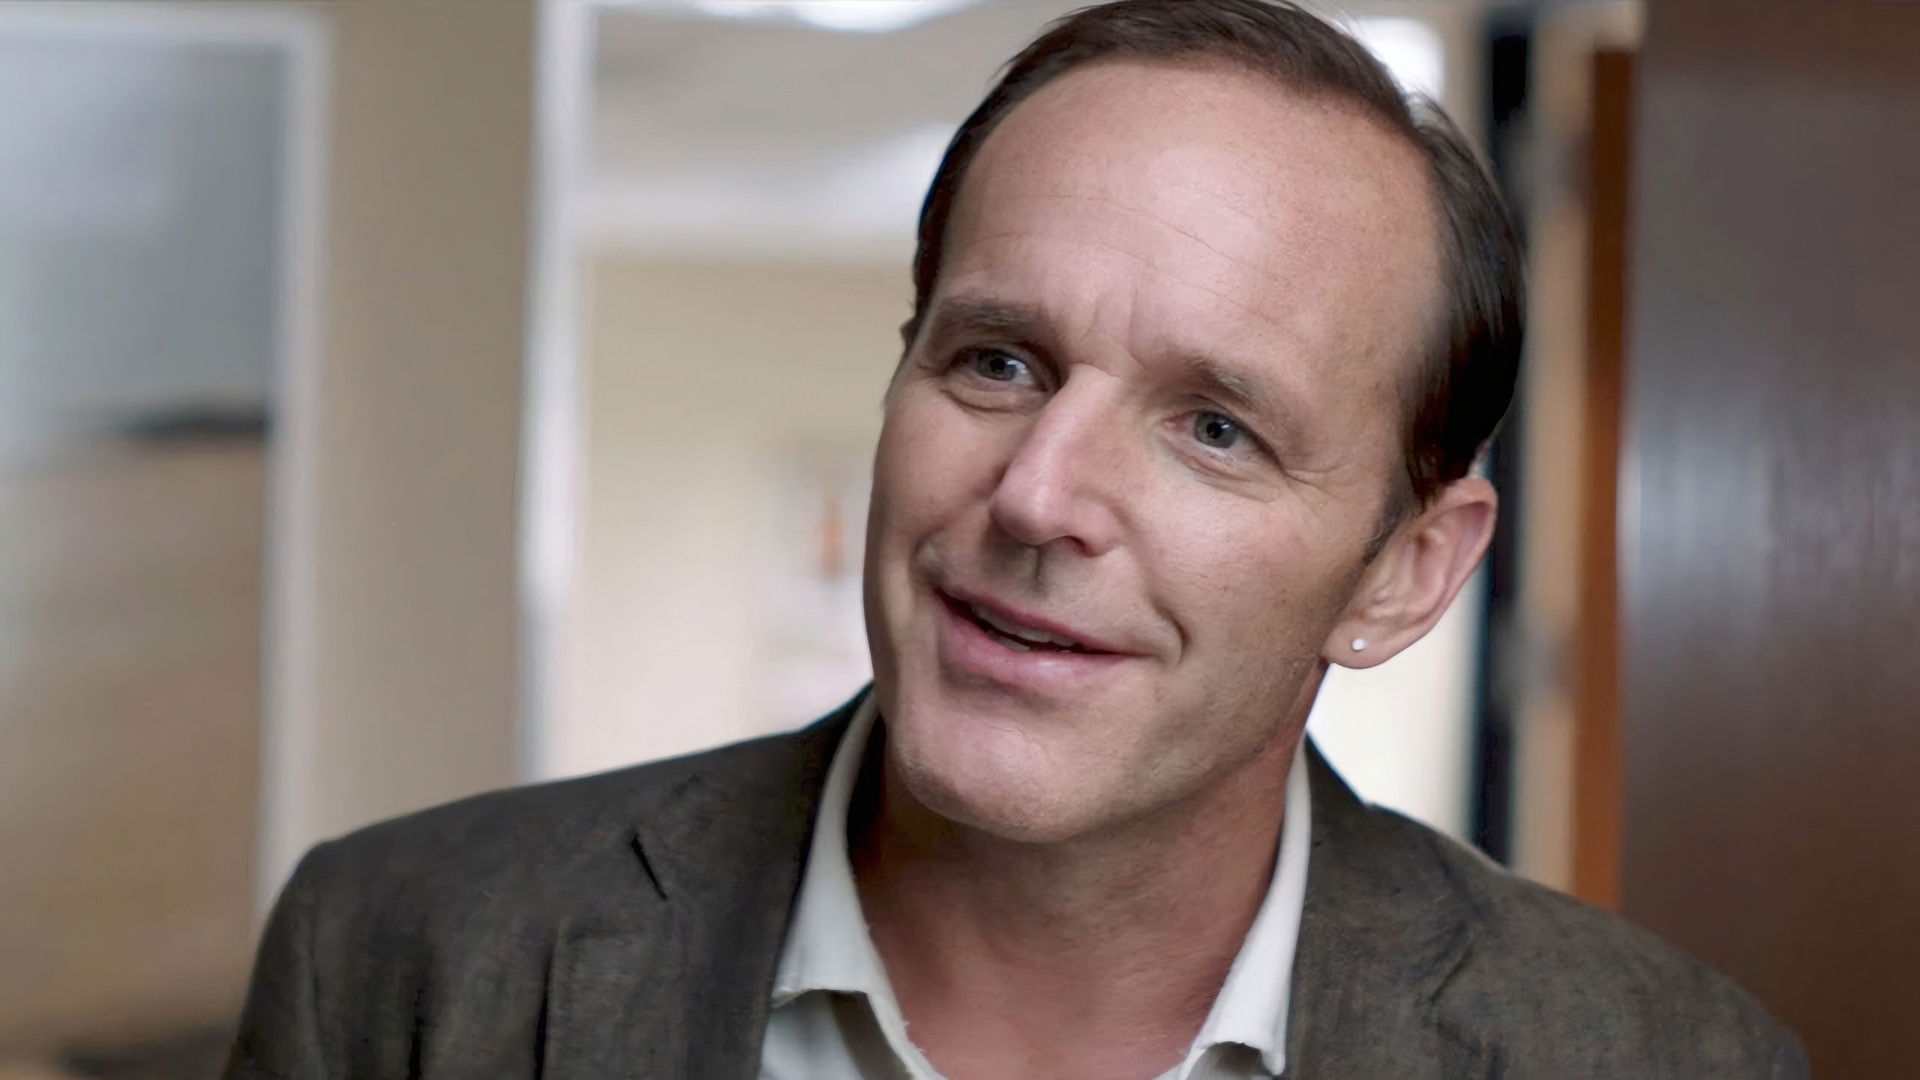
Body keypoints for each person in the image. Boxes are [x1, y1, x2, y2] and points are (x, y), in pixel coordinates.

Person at [226, 2, 1806, 1077]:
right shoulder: (408, 959)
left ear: (1405, 573)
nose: (1039, 496)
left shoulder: (1659, 1059)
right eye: (998, 362)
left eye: (1215, 428)